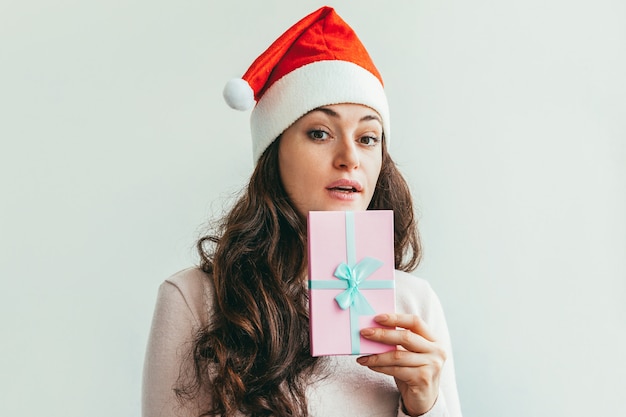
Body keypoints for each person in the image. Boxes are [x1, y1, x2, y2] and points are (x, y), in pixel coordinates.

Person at [142, 6, 462, 417]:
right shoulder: (194, 299)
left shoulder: (415, 304)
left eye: (368, 138)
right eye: (319, 133)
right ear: (273, 153)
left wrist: (425, 407)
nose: (350, 158)